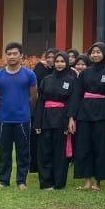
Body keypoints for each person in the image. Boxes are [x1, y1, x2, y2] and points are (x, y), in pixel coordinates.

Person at [0, 42, 38, 190]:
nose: (11, 56)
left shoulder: (29, 74)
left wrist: (25, 110)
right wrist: (3, 110)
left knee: (23, 151)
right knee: (5, 152)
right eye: (8, 54)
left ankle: (21, 181)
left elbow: (34, 96)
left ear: (21, 55)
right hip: (4, 119)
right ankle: (3, 181)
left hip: (23, 119)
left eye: (14, 53)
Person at [68, 42, 105, 191]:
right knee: (84, 147)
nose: (95, 54)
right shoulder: (84, 73)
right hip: (84, 113)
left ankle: (97, 182)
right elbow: (76, 96)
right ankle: (87, 181)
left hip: (102, 114)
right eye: (93, 52)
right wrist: (71, 117)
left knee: (100, 148)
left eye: (98, 52)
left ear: (104, 54)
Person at [33, 51, 75, 190]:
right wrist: (37, 122)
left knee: (59, 152)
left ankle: (59, 182)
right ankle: (46, 182)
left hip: (62, 119)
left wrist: (69, 120)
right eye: (57, 61)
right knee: (44, 151)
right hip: (45, 118)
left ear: (67, 63)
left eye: (62, 61)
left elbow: (72, 102)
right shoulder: (47, 79)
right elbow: (40, 102)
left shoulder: (71, 80)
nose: (59, 64)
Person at [30, 49, 56, 175]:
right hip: (41, 108)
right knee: (38, 139)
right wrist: (40, 65)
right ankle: (37, 165)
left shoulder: (63, 70)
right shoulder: (40, 69)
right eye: (48, 57)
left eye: (54, 57)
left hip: (57, 112)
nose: (51, 59)